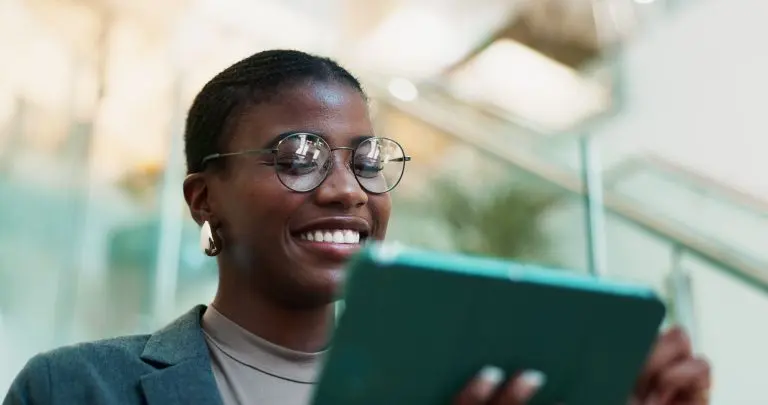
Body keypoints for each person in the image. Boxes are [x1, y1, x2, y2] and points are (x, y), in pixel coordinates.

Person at [3, 50, 711, 405]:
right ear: (203, 198)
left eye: (368, 159)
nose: (347, 189)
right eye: (299, 156)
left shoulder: (468, 387)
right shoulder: (75, 387)